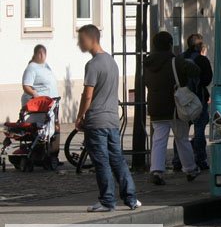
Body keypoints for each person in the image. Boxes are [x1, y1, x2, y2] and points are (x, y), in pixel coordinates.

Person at [75, 24, 140, 212]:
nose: (79, 43)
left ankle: (107, 201)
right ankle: (131, 198)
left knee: (101, 161)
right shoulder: (112, 62)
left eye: (81, 40)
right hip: (112, 119)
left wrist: (80, 116)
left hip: (96, 121)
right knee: (117, 159)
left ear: (90, 39)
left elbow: (88, 95)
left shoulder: (93, 65)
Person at [144, 31, 200, 185]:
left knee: (158, 140)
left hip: (156, 106)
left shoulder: (147, 63)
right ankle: (190, 169)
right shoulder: (176, 61)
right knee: (182, 138)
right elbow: (196, 72)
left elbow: (146, 82)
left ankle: (156, 171)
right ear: (170, 44)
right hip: (175, 106)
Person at [172, 34, 212, 172]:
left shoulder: (179, 59)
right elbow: (207, 80)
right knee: (199, 128)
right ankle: (201, 159)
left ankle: (177, 160)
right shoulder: (202, 60)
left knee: (181, 132)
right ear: (199, 46)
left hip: (182, 100)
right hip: (198, 99)